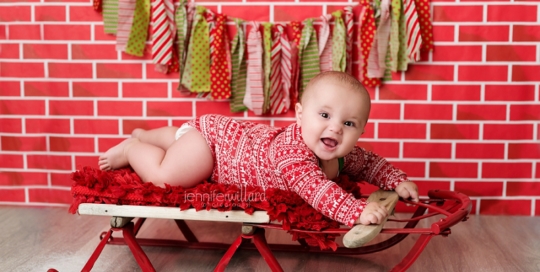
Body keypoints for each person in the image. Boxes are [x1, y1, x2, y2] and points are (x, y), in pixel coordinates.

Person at [99, 71, 419, 227]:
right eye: (324, 116)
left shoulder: (342, 152)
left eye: (349, 124)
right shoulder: (294, 155)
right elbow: (318, 191)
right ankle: (133, 148)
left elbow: (369, 164)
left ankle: (149, 134)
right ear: (299, 115)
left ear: (361, 130)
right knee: (167, 174)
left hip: (226, 135)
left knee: (181, 136)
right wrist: (357, 210)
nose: (335, 127)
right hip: (213, 150)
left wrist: (396, 180)